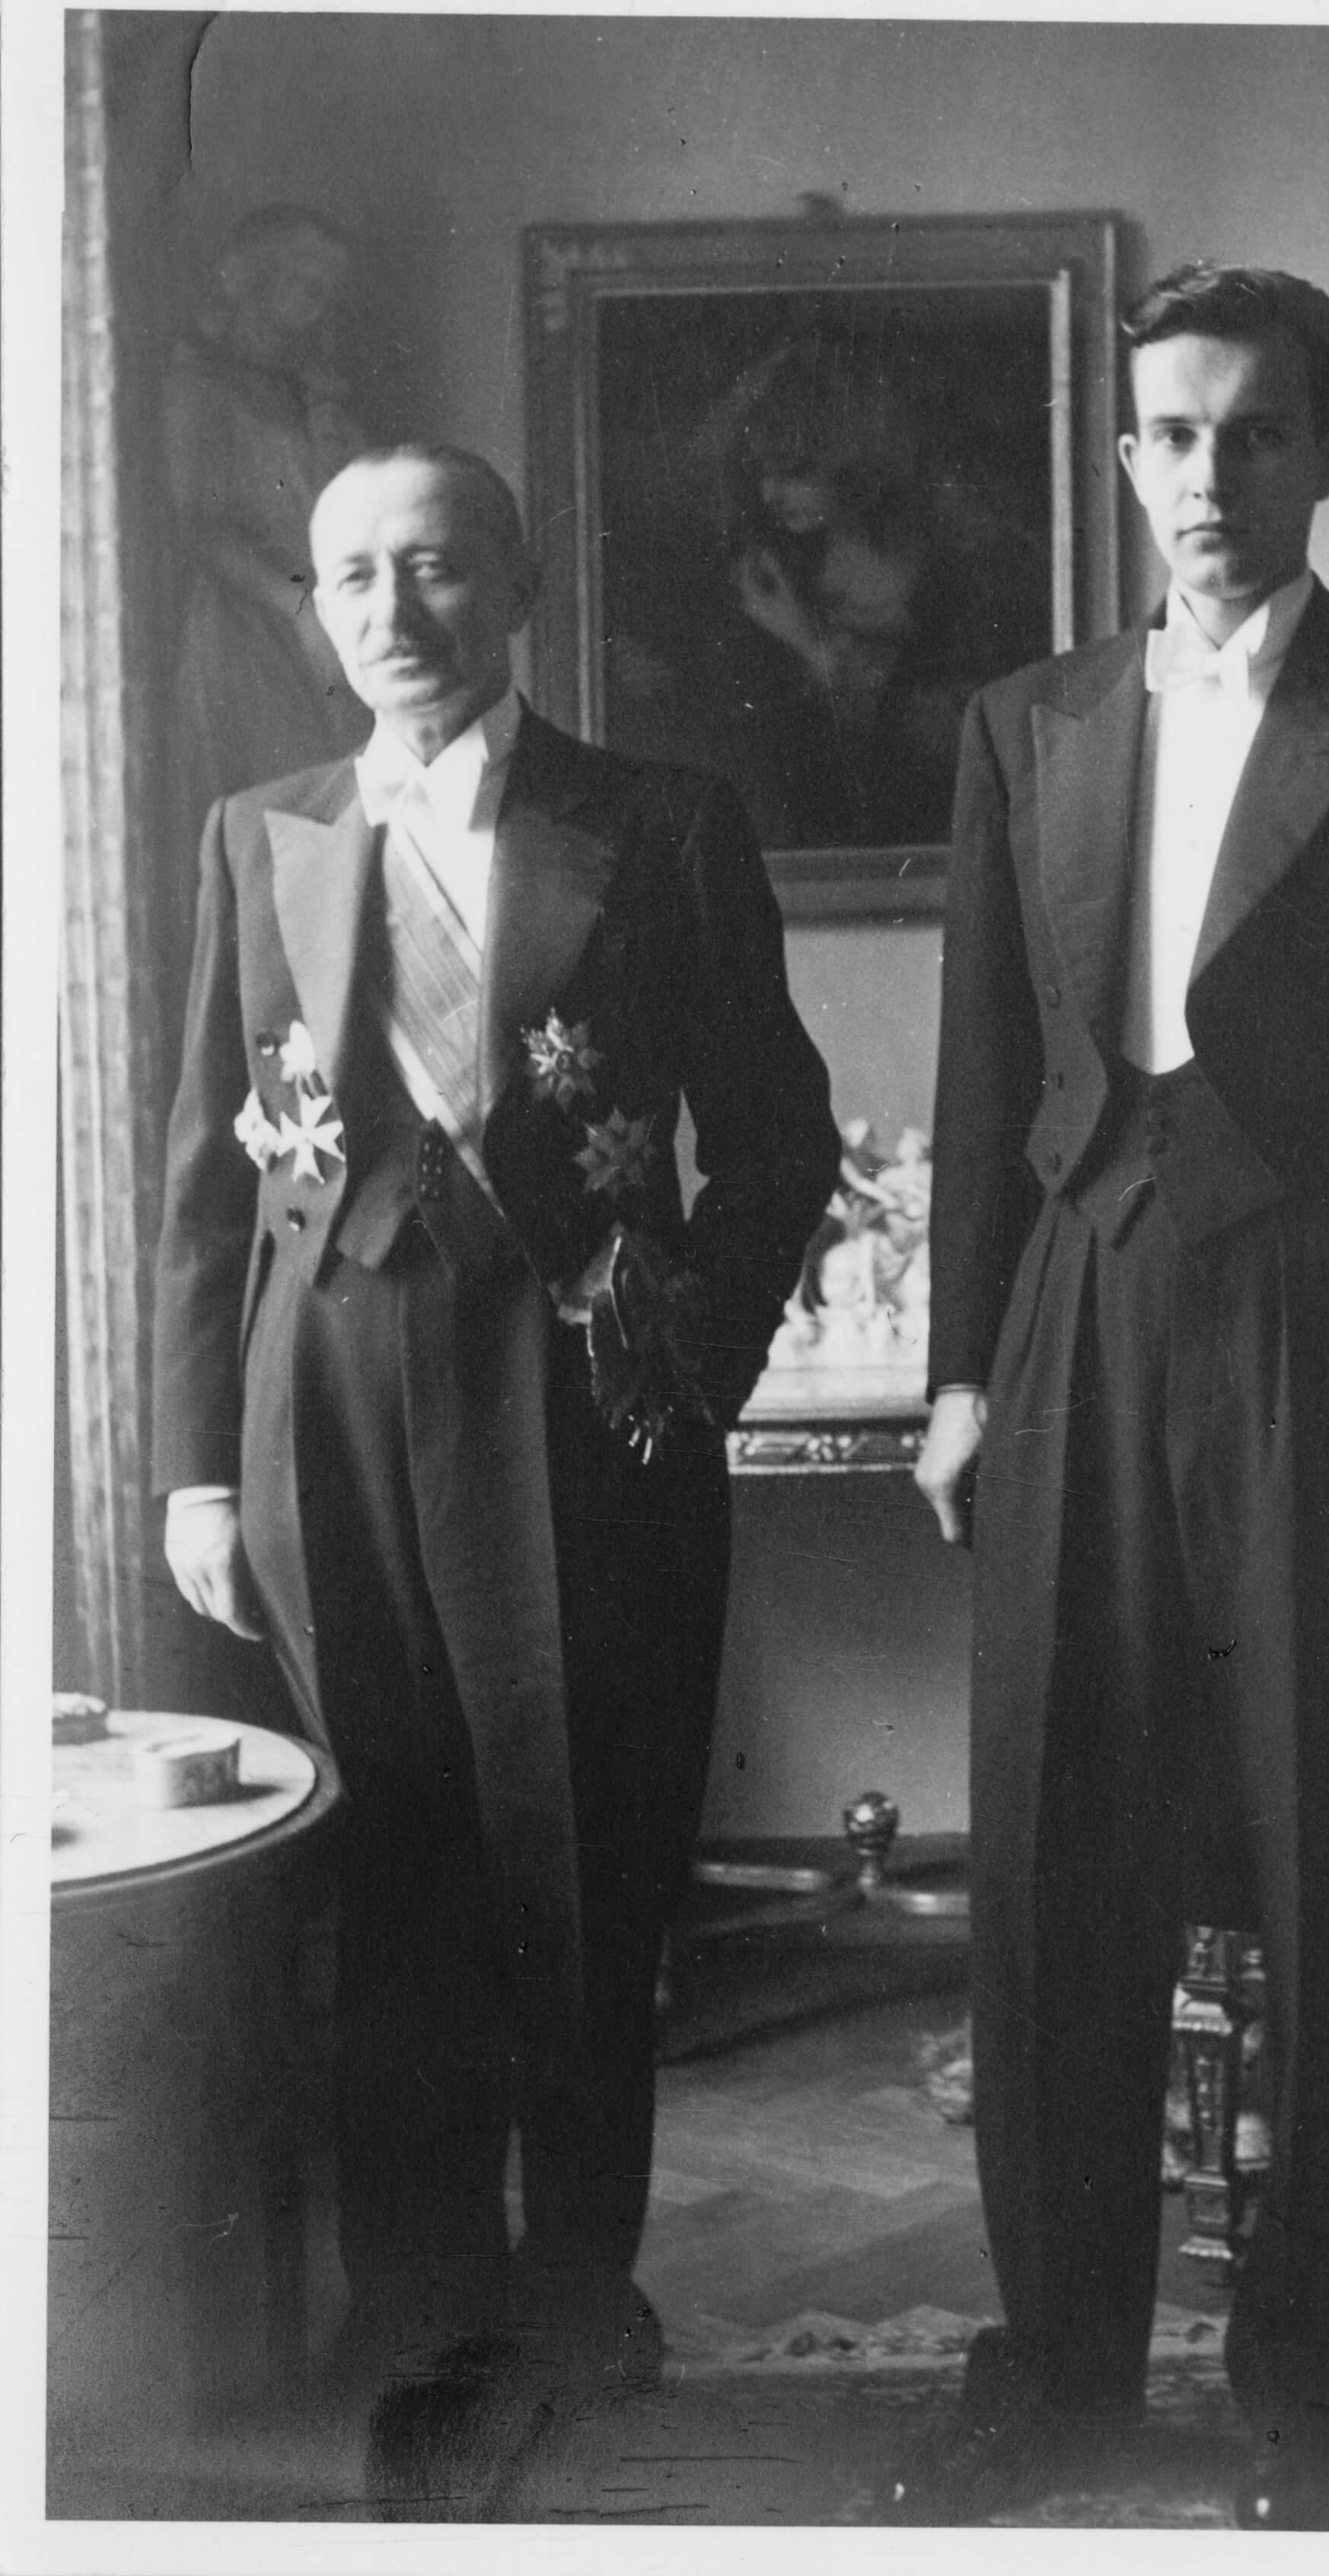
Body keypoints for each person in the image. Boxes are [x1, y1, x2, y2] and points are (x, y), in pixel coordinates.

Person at [900, 264, 1329, 2530]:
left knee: (1325, 1868)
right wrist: (961, 1367)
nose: (1205, 474)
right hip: (1077, 1313)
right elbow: (985, 1069)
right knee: (1047, 1866)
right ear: (1125, 457)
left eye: (1252, 433)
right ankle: (1051, 2367)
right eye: (1170, 435)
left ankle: (1305, 2384)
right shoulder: (1023, 721)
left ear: (1324, 454)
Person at [152, 443, 839, 2517]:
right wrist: (195, 1476)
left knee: (581, 1859)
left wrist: (688, 1364)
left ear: (517, 582)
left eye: (436, 565)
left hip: (577, 1408)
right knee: (390, 1866)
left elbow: (777, 1139)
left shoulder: (659, 822)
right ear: (318, 606)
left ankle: (575, 2290)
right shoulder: (259, 832)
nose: (393, 609)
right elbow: (204, 1192)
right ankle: (415, 2300)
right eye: (353, 574)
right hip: (327, 1410)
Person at [161, 206, 371, 1019]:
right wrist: (295, 608)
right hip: (249, 627)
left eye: (327, 285)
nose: (313, 297)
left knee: (336, 823)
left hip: (324, 627)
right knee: (272, 821)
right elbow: (199, 525)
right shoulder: (200, 381)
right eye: (298, 276)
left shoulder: (316, 391)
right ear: (250, 277)